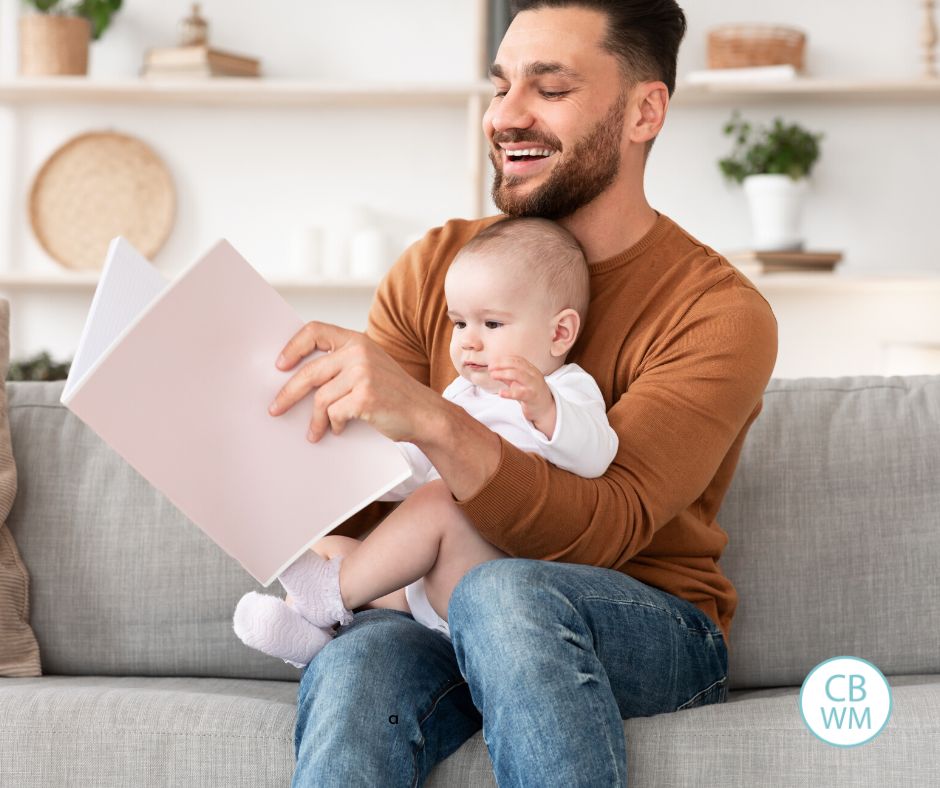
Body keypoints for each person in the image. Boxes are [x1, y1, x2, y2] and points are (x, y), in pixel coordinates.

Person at [267, 1, 778, 785]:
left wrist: (435, 419)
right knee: (361, 659)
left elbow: (606, 529)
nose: (504, 116)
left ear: (645, 110)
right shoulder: (438, 264)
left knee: (504, 596)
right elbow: (376, 519)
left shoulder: (717, 312)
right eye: (501, 85)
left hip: (645, 622)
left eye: (550, 88)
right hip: (440, 604)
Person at [232, 217, 619, 666]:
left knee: (440, 501)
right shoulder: (459, 395)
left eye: (491, 324)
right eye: (458, 323)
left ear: (560, 333)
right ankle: (307, 636)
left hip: (495, 585)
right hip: (422, 589)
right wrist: (357, 460)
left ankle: (326, 599)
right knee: (330, 548)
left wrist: (547, 410)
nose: (468, 342)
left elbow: (597, 456)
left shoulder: (568, 389)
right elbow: (410, 471)